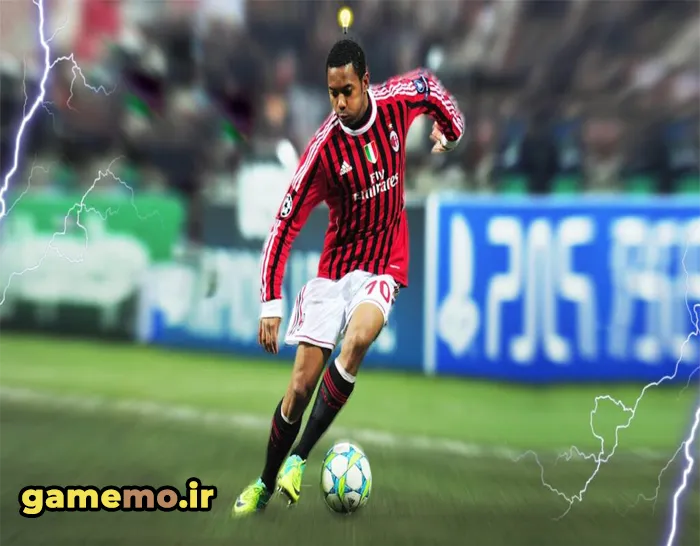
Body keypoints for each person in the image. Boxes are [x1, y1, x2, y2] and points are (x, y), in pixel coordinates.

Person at [232, 38, 464, 517]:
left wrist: (451, 129)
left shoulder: (396, 104)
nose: (339, 102)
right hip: (335, 273)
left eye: (347, 91)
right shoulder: (323, 151)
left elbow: (428, 86)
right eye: (332, 93)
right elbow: (284, 223)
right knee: (299, 388)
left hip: (383, 266)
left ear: (365, 81)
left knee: (357, 340)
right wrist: (270, 301)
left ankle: (299, 458)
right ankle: (264, 484)